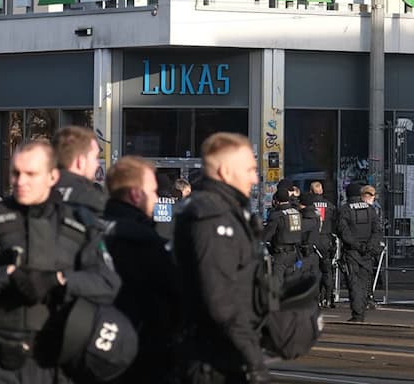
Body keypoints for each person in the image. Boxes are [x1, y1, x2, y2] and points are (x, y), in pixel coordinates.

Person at [0, 141, 120, 384]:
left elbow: (108, 283)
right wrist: (5, 274)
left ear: (52, 176)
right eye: (16, 173)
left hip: (57, 361)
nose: (20, 181)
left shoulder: (78, 224)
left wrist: (60, 280)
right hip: (1, 361)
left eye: (31, 174)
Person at [175, 133, 269, 384]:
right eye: (249, 169)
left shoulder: (225, 210)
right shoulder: (212, 216)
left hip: (222, 352)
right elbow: (220, 300)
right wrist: (252, 358)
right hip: (214, 359)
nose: (254, 178)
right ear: (226, 172)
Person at [103, 156, 182, 384]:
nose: (156, 198)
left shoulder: (91, 227)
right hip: (141, 350)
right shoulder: (143, 239)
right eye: (153, 191)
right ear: (136, 194)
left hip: (98, 347)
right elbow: (173, 294)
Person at [336, 182, 382, 322]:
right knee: (364, 282)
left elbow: (344, 233)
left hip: (353, 252)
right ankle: (361, 310)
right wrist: (369, 246)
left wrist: (357, 246)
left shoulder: (344, 210)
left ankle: (358, 314)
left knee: (354, 283)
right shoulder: (370, 209)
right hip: (367, 253)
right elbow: (377, 230)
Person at [52, 126, 106, 217]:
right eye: (95, 158)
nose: (97, 164)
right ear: (80, 161)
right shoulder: (93, 201)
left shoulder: (37, 195)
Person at [261, 180, 302, 285]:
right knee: (290, 284)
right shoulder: (296, 212)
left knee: (277, 284)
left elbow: (268, 234)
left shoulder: (277, 215)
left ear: (277, 200)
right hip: (293, 253)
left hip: (280, 254)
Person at [306, 181, 337, 308]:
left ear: (310, 191)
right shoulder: (330, 206)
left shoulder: (309, 205)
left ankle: (316, 297)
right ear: (322, 191)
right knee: (327, 269)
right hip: (326, 239)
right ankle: (329, 297)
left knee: (313, 270)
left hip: (313, 240)